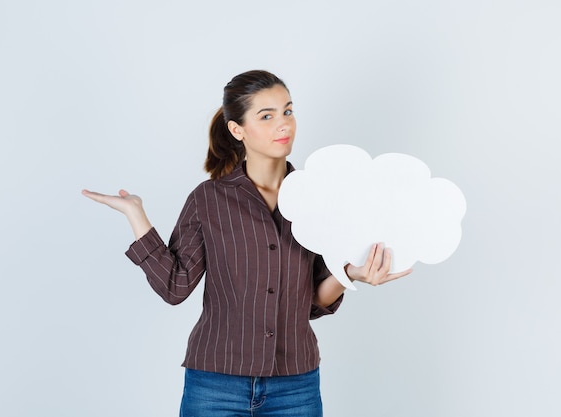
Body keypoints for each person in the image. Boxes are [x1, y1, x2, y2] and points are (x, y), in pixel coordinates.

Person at [82, 70, 412, 417]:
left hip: (296, 387)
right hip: (215, 385)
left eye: (287, 111)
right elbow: (175, 287)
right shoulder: (209, 199)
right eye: (266, 116)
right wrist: (137, 216)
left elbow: (312, 300)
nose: (283, 125)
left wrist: (350, 275)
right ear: (237, 130)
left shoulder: (319, 199)